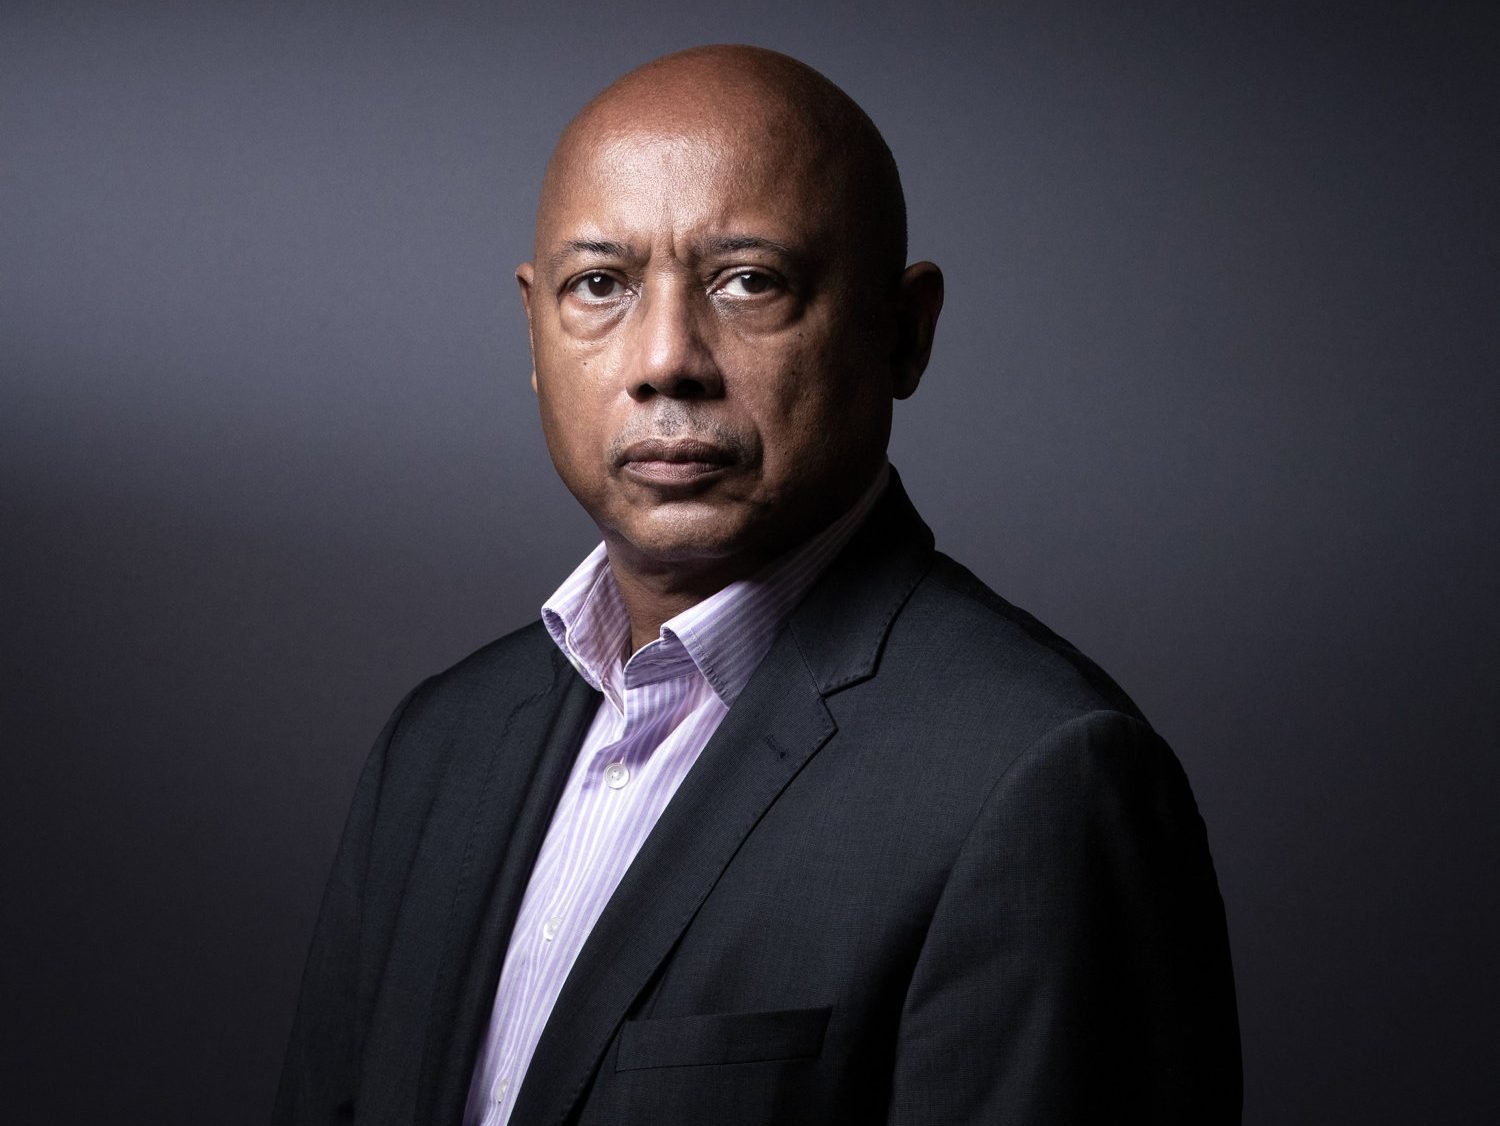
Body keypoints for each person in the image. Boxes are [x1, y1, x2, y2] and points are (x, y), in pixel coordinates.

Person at [274, 44, 1241, 1126]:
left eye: (749, 281)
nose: (665, 359)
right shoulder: (437, 747)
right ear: (535, 330)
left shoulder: (1037, 779)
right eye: (601, 285)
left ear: (903, 334)